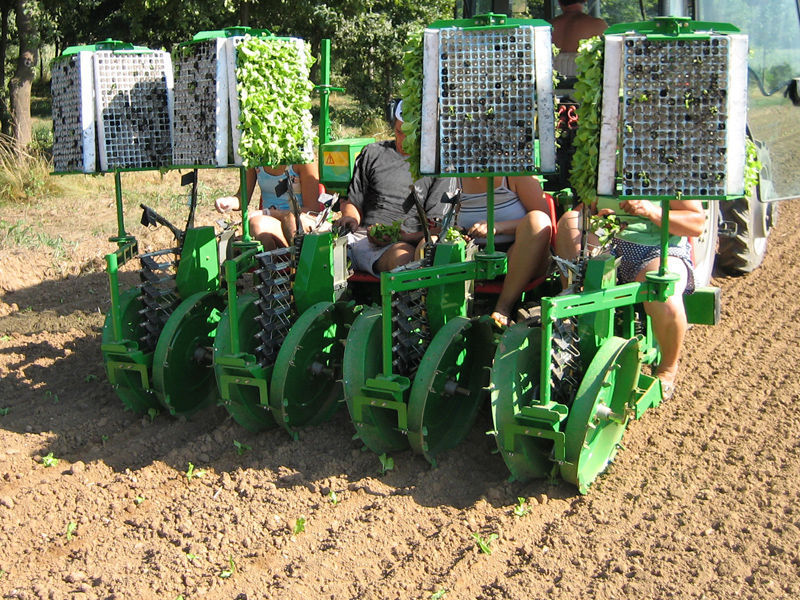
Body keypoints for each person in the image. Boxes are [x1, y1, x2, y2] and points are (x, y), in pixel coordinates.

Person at [555, 198, 705, 398]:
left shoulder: (672, 169)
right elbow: (585, 210)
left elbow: (696, 224)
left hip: (658, 249)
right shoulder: (605, 167)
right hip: (609, 241)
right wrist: (597, 216)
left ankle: (667, 369)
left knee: (664, 300)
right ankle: (572, 313)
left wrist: (652, 211)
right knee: (569, 221)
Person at [336, 101, 455, 275]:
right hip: (358, 237)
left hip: (398, 245)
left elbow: (438, 227)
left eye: (409, 135)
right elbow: (354, 201)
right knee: (318, 249)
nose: (403, 140)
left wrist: (402, 237)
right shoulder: (372, 152)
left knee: (403, 261)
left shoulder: (437, 166)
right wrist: (350, 218)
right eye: (399, 132)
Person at [457, 175, 553, 327]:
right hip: (473, 259)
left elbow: (545, 219)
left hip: (520, 253)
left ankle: (503, 308)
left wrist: (498, 227)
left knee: (537, 220)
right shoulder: (453, 179)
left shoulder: (516, 176)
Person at [214, 163, 320, 250]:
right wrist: (229, 202)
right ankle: (270, 272)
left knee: (291, 220)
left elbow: (312, 210)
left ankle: (300, 269)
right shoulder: (254, 160)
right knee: (257, 226)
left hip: (299, 222)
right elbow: (242, 198)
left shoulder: (302, 161)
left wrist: (268, 213)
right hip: (271, 223)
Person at [551, 0, 608, 78]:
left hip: (549, 87)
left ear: (559, 1)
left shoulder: (546, 29)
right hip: (586, 88)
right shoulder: (598, 26)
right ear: (585, 0)